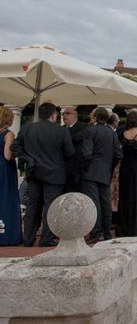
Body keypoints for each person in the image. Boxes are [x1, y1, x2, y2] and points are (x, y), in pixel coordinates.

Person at [11, 102, 75, 247]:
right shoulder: (61, 131)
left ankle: (28, 239)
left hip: (34, 172)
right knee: (50, 207)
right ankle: (46, 238)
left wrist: (28, 158)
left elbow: (14, 147)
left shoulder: (28, 129)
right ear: (53, 116)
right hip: (55, 173)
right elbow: (70, 152)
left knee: (33, 206)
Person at [81, 107, 123, 243]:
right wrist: (109, 166)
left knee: (94, 202)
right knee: (105, 202)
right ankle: (107, 232)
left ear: (95, 117)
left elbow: (86, 153)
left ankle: (95, 233)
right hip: (106, 170)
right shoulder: (112, 133)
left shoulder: (90, 131)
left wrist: (85, 167)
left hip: (91, 170)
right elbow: (118, 154)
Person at [0, 106, 22, 245]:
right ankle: (6, 234)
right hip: (4, 168)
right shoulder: (8, 134)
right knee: (6, 198)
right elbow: (8, 156)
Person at [62, 107, 88, 193]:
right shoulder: (61, 129)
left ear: (75, 116)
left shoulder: (83, 127)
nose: (64, 115)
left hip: (76, 169)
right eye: (63, 113)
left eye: (68, 113)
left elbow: (76, 138)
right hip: (62, 169)